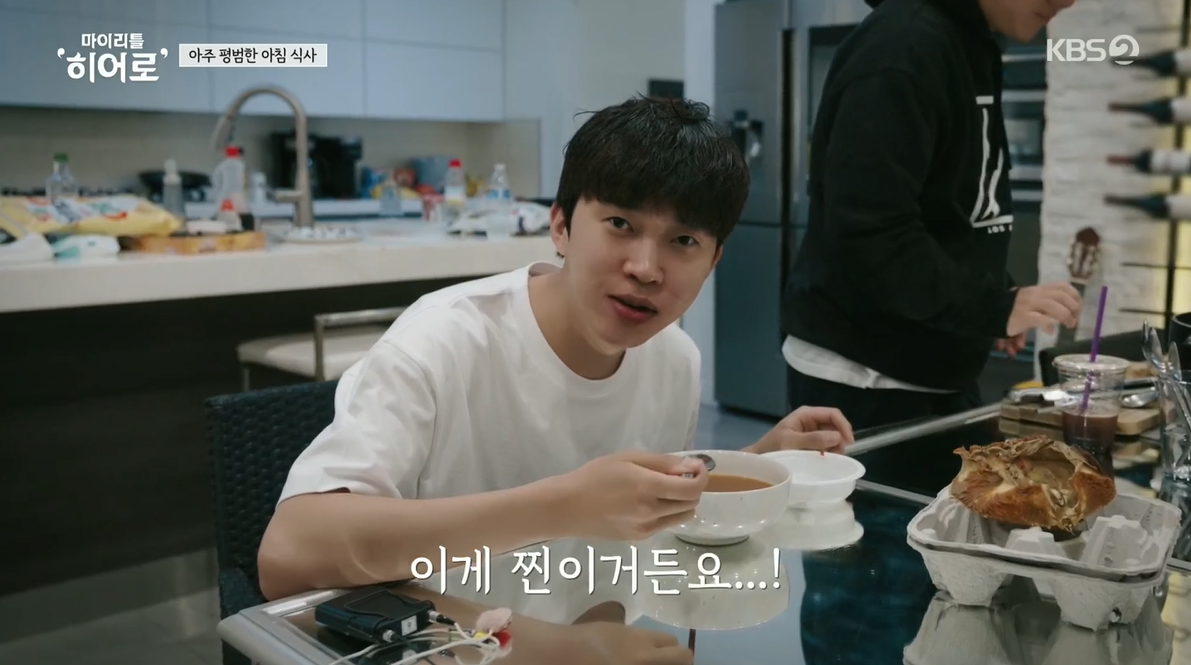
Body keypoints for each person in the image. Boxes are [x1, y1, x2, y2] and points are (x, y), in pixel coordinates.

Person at [257, 96, 855, 664]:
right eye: (619, 223)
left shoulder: (674, 360)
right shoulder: (443, 342)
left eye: (683, 241)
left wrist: (752, 465)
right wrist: (563, 513)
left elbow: (612, 554)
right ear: (562, 226)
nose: (646, 268)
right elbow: (290, 556)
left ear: (713, 259)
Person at [780, 0, 1082, 432]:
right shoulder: (903, 44)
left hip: (926, 374)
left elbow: (947, 209)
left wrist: (996, 297)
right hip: (866, 380)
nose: (1067, 0)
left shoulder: (969, 42)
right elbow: (872, 233)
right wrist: (989, 307)